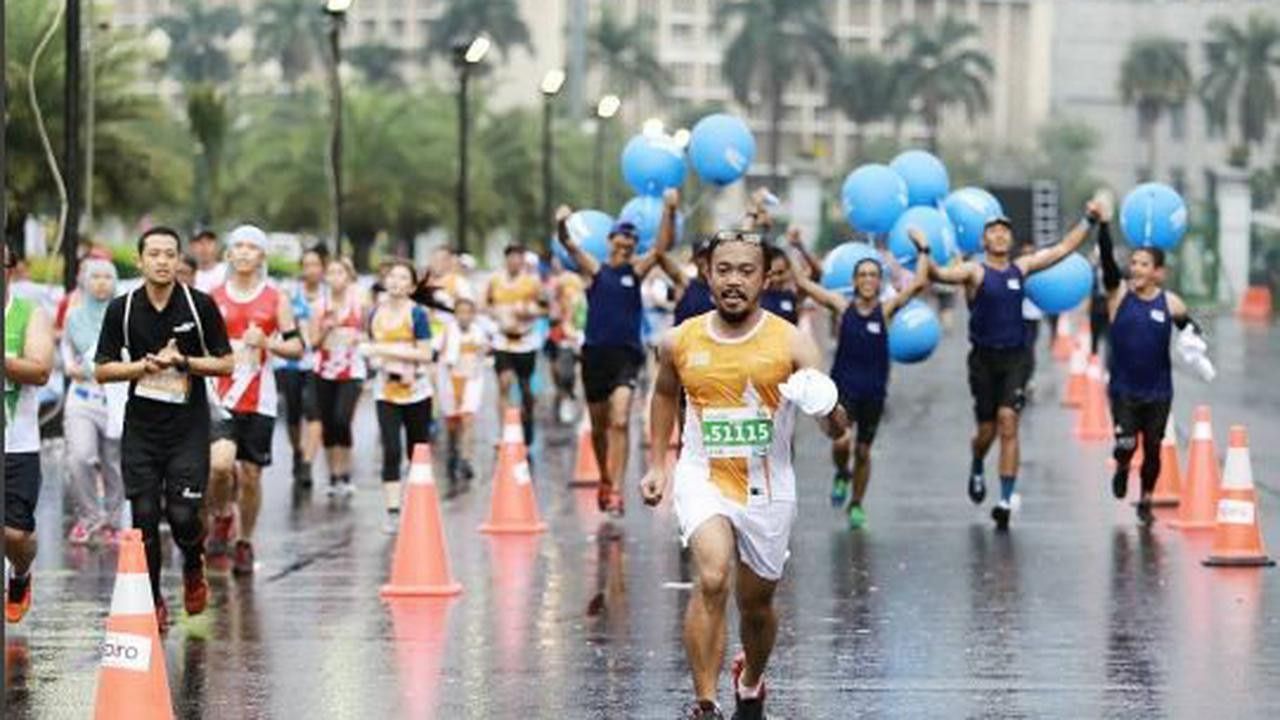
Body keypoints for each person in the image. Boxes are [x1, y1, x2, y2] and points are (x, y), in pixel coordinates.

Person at [642, 230, 846, 719]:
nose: (734, 280)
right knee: (712, 578)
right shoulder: (679, 340)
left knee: (756, 605)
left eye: (746, 271)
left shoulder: (793, 341)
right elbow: (665, 393)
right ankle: (706, 703)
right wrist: (656, 462)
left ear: (765, 277)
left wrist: (825, 403)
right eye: (724, 269)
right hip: (703, 475)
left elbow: (837, 429)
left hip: (768, 485)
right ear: (707, 274)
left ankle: (751, 680)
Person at [928, 202, 1100, 530]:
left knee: (1008, 422)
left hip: (1015, 359)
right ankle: (978, 461)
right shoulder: (974, 271)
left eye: (1005, 230)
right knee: (986, 432)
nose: (1001, 235)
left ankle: (1005, 500)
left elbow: (1062, 249)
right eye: (993, 231)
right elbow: (940, 275)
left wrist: (1088, 220)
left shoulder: (1020, 268)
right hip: (982, 360)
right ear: (984, 241)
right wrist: (925, 251)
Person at [94, 227, 234, 629]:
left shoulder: (199, 305)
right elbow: (102, 370)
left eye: (169, 254)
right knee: (144, 515)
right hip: (142, 427)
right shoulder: (122, 309)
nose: (162, 261)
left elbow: (226, 363)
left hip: (188, 427)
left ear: (178, 260)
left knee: (184, 514)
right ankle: (154, 599)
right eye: (153, 254)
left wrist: (183, 363)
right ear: (139, 261)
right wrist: (142, 367)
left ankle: (193, 563)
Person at [791, 229, 932, 529]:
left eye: (873, 275)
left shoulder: (886, 310)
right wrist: (796, 247)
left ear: (879, 282)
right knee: (842, 441)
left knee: (864, 451)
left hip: (874, 392)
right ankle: (842, 473)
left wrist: (924, 249)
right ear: (854, 281)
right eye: (863, 275)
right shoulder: (842, 308)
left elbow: (919, 282)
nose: (868, 279)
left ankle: (856, 504)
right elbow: (802, 283)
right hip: (843, 389)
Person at [557, 190, 678, 515]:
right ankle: (606, 479)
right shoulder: (596, 271)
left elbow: (662, 248)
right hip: (595, 356)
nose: (624, 248)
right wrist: (561, 223)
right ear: (609, 241)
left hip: (626, 356)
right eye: (619, 243)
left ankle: (618, 491)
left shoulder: (635, 272)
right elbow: (568, 245)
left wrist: (669, 208)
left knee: (621, 420)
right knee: (598, 428)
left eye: (629, 244)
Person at [1098, 218, 1210, 524]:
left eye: (1144, 264)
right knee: (1126, 443)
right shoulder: (1118, 295)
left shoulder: (1170, 303)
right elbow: (1108, 264)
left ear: (1158, 272)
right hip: (1123, 389)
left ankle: (1146, 499)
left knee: (1153, 449)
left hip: (1159, 390)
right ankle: (1122, 467)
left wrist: (1196, 345)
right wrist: (1104, 226)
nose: (1136, 269)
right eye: (1133, 263)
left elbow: (1192, 331)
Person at [206, 225, 304, 575]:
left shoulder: (276, 298)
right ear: (228, 254)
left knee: (250, 475)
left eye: (253, 247)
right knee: (219, 467)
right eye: (238, 247)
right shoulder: (212, 295)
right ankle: (221, 517)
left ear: (262, 256)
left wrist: (268, 343)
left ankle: (245, 541)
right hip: (219, 397)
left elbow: (296, 347)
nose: (245, 253)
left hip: (258, 398)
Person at [365, 258, 435, 533]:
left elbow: (426, 353)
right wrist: (374, 357)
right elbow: (370, 350)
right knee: (391, 449)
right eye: (392, 277)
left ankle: (420, 504)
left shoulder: (417, 314)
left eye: (403, 278)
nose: (396, 282)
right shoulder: (375, 314)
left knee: (417, 450)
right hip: (386, 391)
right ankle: (393, 511)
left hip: (417, 391)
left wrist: (387, 352)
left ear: (412, 286)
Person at [4, 245, 54, 623]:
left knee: (16, 536)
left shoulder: (29, 314)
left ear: (12, 270)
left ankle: (20, 575)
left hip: (16, 445)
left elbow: (39, 371)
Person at [62, 257, 128, 545]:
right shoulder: (74, 316)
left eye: (107, 277)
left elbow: (125, 354)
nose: (101, 282)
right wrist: (71, 367)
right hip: (83, 398)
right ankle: (88, 517)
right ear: (84, 281)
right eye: (95, 276)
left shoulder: (126, 315)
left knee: (114, 462)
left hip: (116, 398)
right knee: (80, 457)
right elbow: (67, 351)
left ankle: (113, 522)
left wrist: (92, 367)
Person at [312, 256, 368, 498]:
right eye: (331, 272)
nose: (335, 277)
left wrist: (359, 338)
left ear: (349, 277)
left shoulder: (358, 304)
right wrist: (325, 330)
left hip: (351, 370)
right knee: (328, 424)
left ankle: (345, 472)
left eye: (340, 273)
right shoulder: (319, 305)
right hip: (324, 371)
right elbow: (312, 343)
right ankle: (333, 476)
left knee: (342, 420)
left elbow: (370, 334)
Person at [485, 243, 548, 448]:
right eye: (510, 257)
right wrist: (496, 313)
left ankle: (527, 421)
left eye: (518, 257)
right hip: (502, 340)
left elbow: (546, 308)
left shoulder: (533, 282)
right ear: (506, 259)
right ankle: (504, 432)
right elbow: (483, 304)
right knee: (504, 383)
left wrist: (529, 311)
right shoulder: (495, 280)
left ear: (522, 260)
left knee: (525, 387)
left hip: (525, 341)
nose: (514, 261)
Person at [275, 246, 325, 488]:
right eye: (306, 265)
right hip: (289, 364)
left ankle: (307, 462)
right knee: (293, 416)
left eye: (315, 265)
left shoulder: (327, 296)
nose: (311, 270)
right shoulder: (290, 294)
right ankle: (297, 451)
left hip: (316, 363)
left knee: (315, 412)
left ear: (322, 267)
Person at [437, 294, 488, 497]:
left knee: (468, 418)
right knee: (453, 423)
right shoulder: (446, 333)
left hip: (472, 381)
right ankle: (452, 452)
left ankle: (466, 459)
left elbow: (484, 351)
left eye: (468, 312)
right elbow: (437, 353)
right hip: (450, 381)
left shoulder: (479, 333)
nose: (464, 316)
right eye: (460, 312)